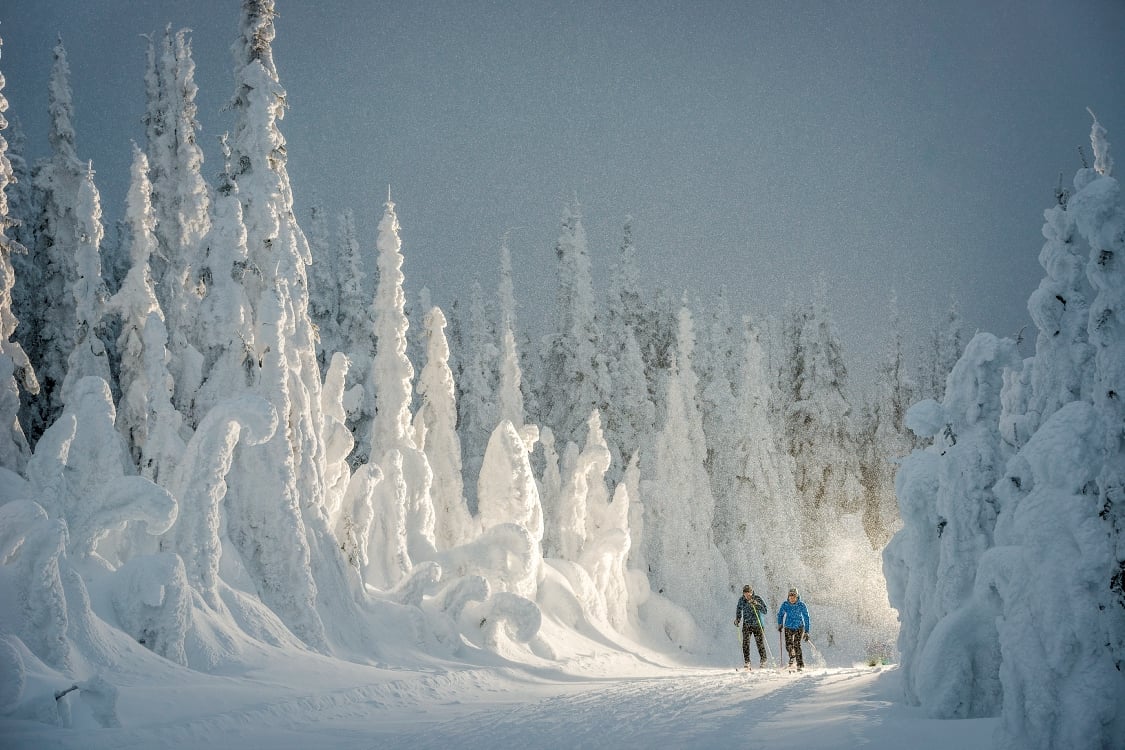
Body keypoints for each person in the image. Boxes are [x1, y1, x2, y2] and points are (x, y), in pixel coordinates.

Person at [776, 587, 811, 670]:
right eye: (790, 597)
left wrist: (807, 631)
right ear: (788, 597)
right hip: (788, 626)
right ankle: (792, 656)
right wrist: (780, 624)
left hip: (799, 626)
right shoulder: (785, 604)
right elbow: (780, 614)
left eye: (794, 597)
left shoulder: (801, 605)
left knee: (796, 644)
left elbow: (806, 617)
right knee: (788, 645)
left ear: (797, 597)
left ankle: (800, 664)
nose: (792, 598)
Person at [734, 584, 768, 669]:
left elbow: (765, 610)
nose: (747, 595)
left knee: (759, 643)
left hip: (758, 624)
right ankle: (747, 661)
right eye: (745, 593)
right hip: (747, 624)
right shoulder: (741, 600)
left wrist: (756, 604)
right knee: (745, 643)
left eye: (748, 593)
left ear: (751, 592)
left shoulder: (757, 598)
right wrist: (738, 619)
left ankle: (763, 660)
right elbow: (738, 610)